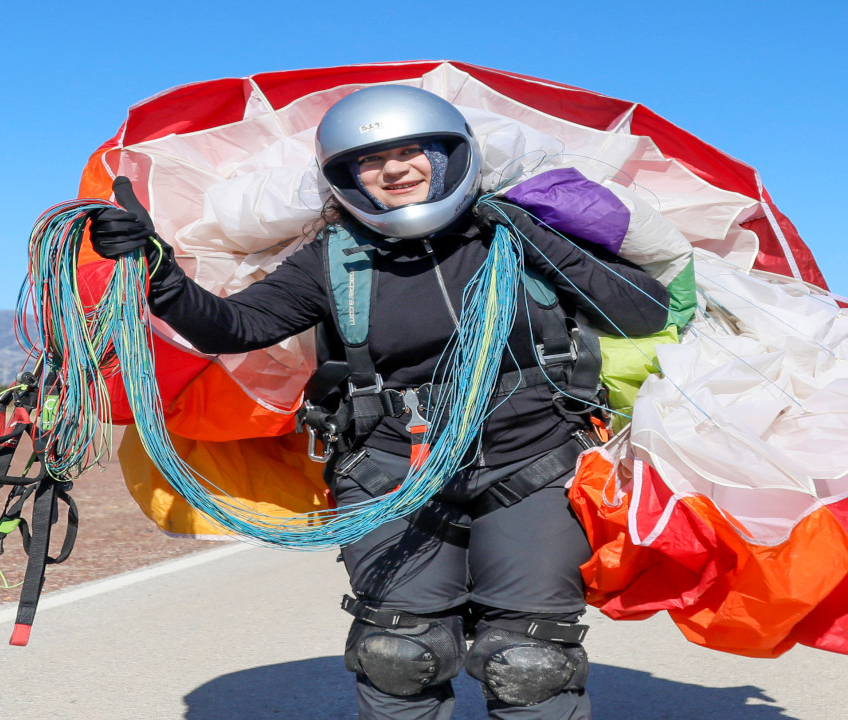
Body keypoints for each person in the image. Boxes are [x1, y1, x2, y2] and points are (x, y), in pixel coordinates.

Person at [89, 85, 669, 720]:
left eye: (412, 150)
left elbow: (643, 312)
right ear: (344, 177)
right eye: (370, 161)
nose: (393, 170)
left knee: (529, 662)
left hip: (532, 465)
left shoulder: (519, 236)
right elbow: (237, 326)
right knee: (399, 653)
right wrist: (158, 270)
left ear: (450, 156)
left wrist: (531, 233)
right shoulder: (335, 258)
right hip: (391, 468)